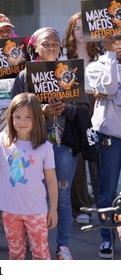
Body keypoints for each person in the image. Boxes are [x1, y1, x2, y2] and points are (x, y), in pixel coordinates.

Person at [12, 27, 83, 260]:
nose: (51, 47)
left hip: (63, 147)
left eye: (55, 43)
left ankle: (62, 247)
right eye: (46, 44)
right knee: (34, 196)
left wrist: (67, 108)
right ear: (35, 47)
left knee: (61, 196)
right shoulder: (24, 76)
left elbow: (84, 110)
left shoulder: (70, 72)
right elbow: (14, 110)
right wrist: (39, 111)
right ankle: (36, 244)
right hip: (34, 146)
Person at [0, 92, 58, 260]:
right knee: (15, 254)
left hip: (36, 212)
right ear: (10, 117)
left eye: (28, 117)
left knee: (41, 255)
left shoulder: (45, 147)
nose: (22, 122)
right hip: (10, 212)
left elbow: (52, 180)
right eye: (17, 117)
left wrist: (53, 209)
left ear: (37, 118)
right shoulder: (3, 140)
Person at [63, 12, 100, 225]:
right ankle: (81, 206)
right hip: (75, 107)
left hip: (99, 106)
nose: (80, 32)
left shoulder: (102, 54)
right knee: (77, 156)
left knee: (97, 156)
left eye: (84, 27)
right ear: (71, 31)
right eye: (76, 27)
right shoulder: (64, 56)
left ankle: (103, 203)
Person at [86, 35, 121, 259]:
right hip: (110, 136)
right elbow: (108, 89)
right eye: (115, 40)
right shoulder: (95, 66)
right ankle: (107, 240)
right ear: (104, 42)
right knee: (107, 190)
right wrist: (111, 57)